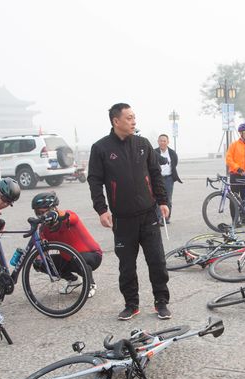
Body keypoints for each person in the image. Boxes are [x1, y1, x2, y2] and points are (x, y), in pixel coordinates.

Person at [88, 103, 171, 321]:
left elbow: (155, 173)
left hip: (148, 214)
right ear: (116, 121)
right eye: (129, 118)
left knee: (157, 261)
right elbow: (94, 181)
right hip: (122, 220)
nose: (134, 121)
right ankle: (131, 304)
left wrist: (162, 201)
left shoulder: (143, 144)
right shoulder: (101, 148)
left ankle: (161, 302)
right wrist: (101, 209)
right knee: (126, 266)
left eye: (134, 117)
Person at [31, 191, 103, 298]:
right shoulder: (44, 228)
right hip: (69, 258)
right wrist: (39, 259)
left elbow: (71, 217)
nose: (41, 216)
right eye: (38, 213)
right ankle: (73, 280)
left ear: (53, 209)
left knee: (76, 259)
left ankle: (91, 284)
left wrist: (57, 215)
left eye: (43, 212)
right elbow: (42, 247)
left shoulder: (67, 216)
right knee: (41, 263)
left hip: (92, 255)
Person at [154, 134, 181, 224]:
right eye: (161, 141)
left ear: (168, 142)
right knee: (157, 198)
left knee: (168, 199)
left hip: (169, 178)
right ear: (158, 142)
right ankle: (159, 218)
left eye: (164, 141)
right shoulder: (154, 152)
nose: (162, 142)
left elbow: (175, 163)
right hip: (157, 179)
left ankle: (166, 218)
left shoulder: (172, 153)